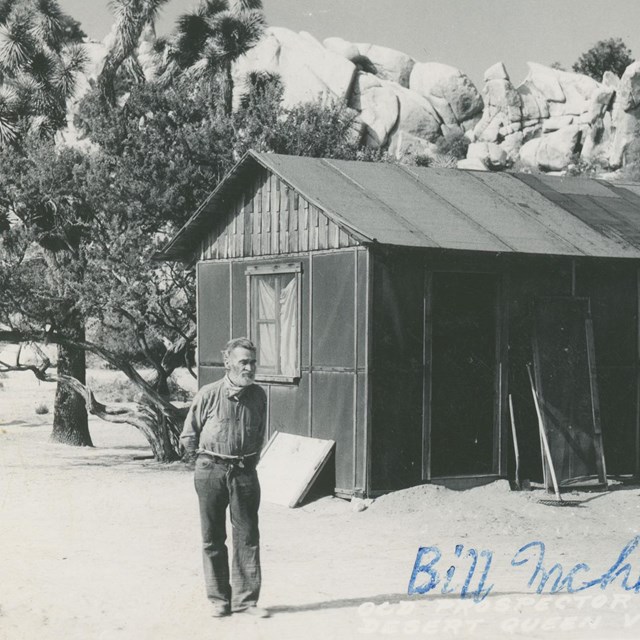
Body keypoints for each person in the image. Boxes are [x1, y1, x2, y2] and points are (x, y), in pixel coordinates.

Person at [181, 337, 269, 618]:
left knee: (247, 536)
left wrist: (247, 463)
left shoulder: (259, 396)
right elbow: (188, 434)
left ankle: (246, 602)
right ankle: (219, 600)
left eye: (253, 362)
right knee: (212, 537)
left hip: (244, 473)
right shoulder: (208, 393)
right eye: (244, 362)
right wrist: (205, 461)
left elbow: (260, 434)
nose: (250, 367)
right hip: (210, 471)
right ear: (228, 362)